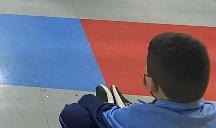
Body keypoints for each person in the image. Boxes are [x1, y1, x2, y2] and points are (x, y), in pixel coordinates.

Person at [59, 32, 216, 128]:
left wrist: (88, 100)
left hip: (130, 116)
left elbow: (102, 114)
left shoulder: (140, 117)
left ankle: (120, 105)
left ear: (151, 84)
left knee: (73, 114)